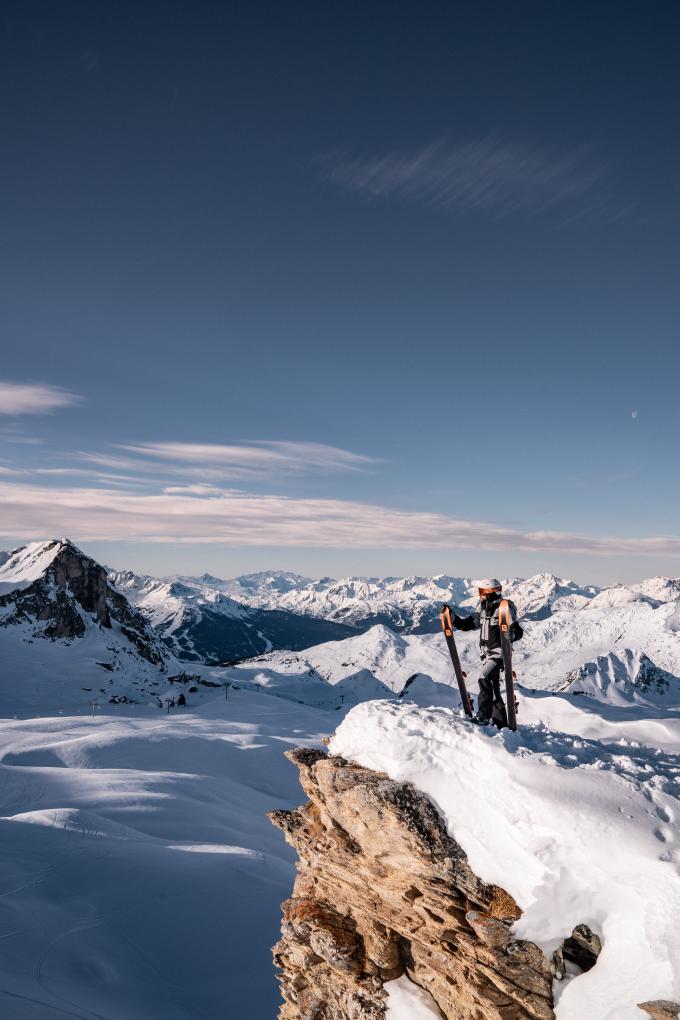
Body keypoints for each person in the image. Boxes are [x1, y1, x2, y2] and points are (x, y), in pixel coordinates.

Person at [448, 579, 523, 726]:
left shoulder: (505, 607)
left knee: (484, 678)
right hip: (486, 654)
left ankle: (483, 717)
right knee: (494, 690)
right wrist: (454, 618)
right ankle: (501, 724)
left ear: (489, 592)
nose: (479, 595)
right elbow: (467, 624)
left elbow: (518, 631)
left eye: (481, 591)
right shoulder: (483, 609)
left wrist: (511, 635)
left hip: (500, 653)